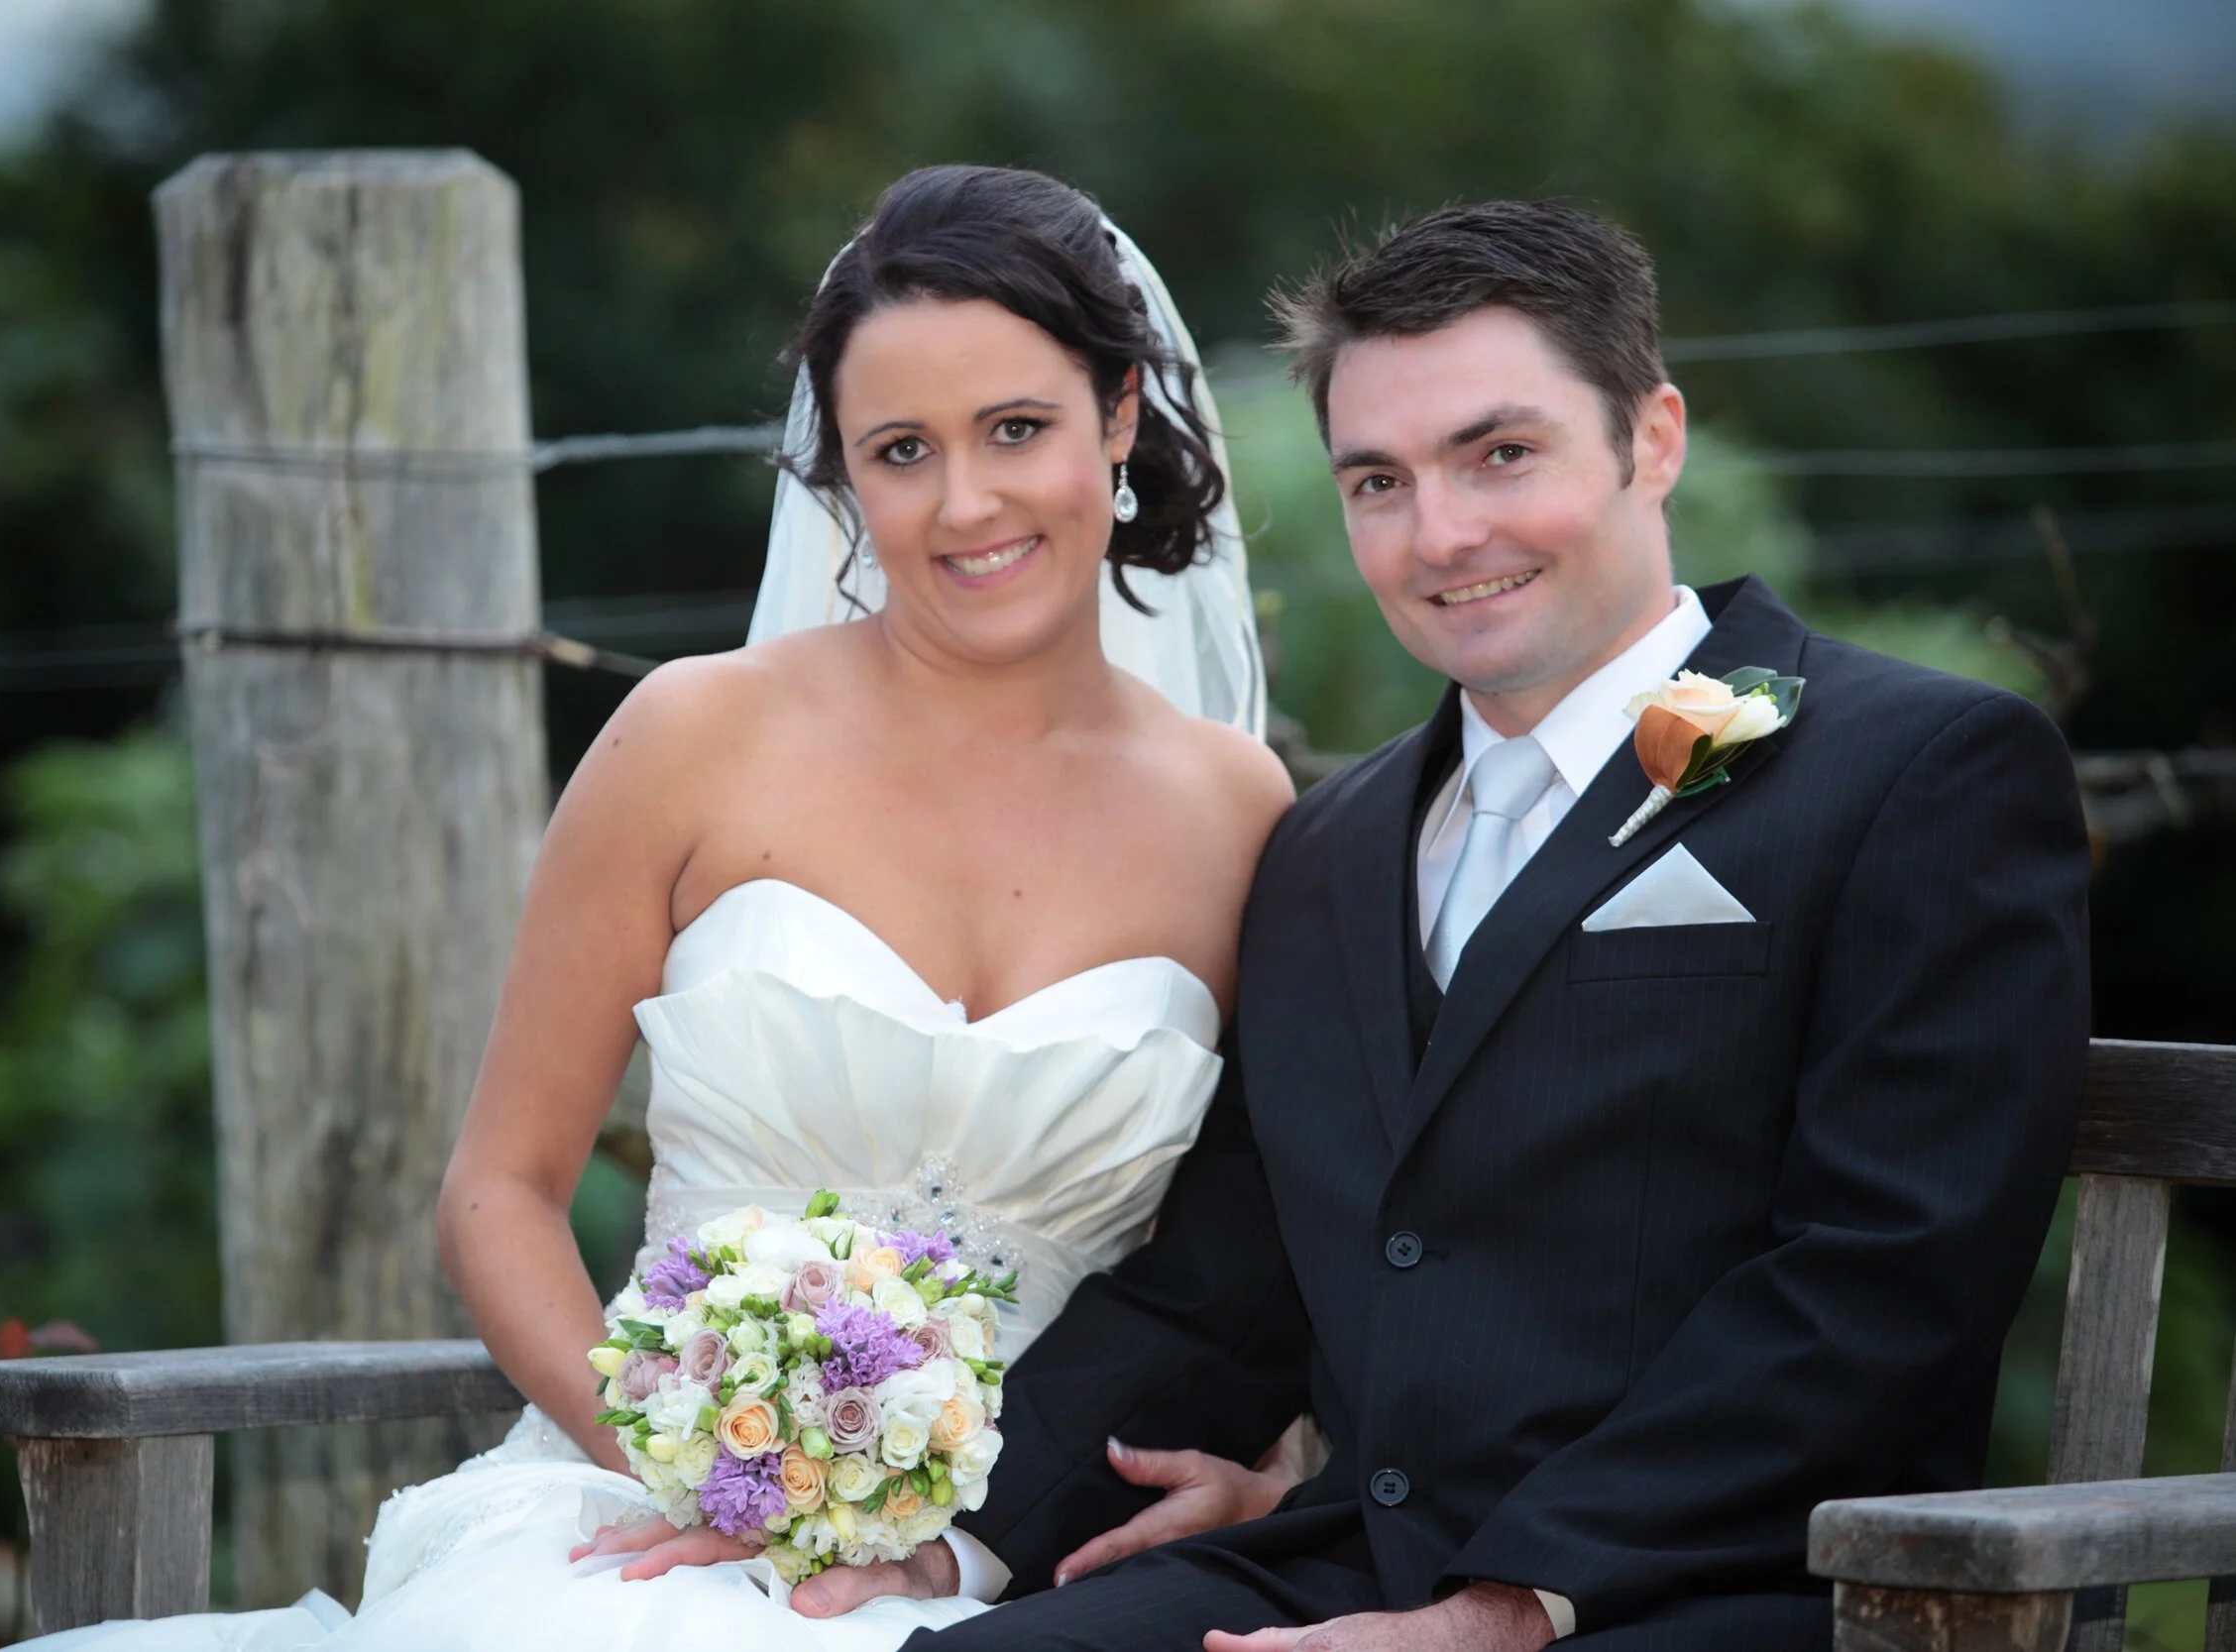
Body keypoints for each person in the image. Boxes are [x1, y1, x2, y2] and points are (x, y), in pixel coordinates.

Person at [18, 164, 1289, 1652]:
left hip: (1022, 1567)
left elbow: (1259, 1249)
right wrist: (686, 1459)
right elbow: (497, 1191)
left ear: (1120, 413)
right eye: (900, 449)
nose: (966, 502)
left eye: (1018, 427)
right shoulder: (694, 738)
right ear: (843, 479)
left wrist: (1258, 1467)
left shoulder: (1240, 814)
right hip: (652, 1534)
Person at [892, 201, 2092, 1651]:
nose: (1440, 534)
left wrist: (1503, 1608)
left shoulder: (1918, 771)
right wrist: (943, 1537)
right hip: (1355, 1562)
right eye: (1378, 480)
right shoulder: (1329, 845)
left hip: (1740, 1588)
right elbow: (1219, 1288)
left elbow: (1885, 1281)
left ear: (1652, 437)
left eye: (1500, 454)